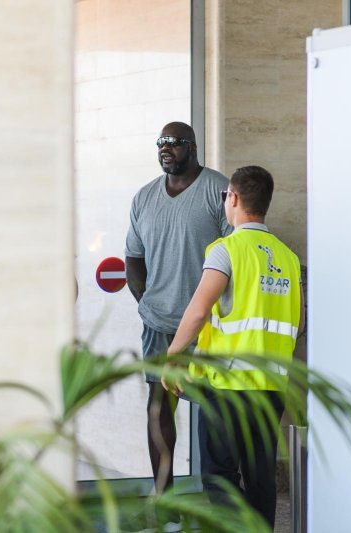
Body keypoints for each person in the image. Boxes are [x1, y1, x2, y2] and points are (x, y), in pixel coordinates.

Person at [162, 165, 304, 529]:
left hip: (227, 387)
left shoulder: (227, 250)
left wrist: (172, 358)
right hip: (271, 386)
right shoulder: (287, 258)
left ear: (234, 198)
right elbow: (298, 323)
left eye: (227, 196)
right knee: (260, 480)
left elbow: (197, 312)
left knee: (218, 476)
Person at [125, 121, 231, 496]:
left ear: (193, 146)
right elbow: (133, 259)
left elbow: (235, 257)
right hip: (158, 324)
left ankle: (217, 499)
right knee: (159, 411)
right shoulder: (144, 198)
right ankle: (164, 499)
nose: (165, 148)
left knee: (215, 415)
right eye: (160, 143)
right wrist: (148, 303)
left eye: (174, 142)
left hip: (207, 326)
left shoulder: (218, 190)